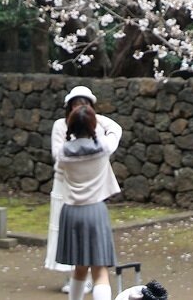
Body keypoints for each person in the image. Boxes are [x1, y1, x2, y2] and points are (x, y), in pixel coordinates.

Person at [49, 85, 116, 295]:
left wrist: (77, 118)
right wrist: (92, 115)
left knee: (79, 269)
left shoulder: (62, 153)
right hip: (95, 211)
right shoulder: (104, 147)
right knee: (100, 270)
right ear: (93, 122)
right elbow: (116, 129)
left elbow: (58, 162)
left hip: (71, 211)